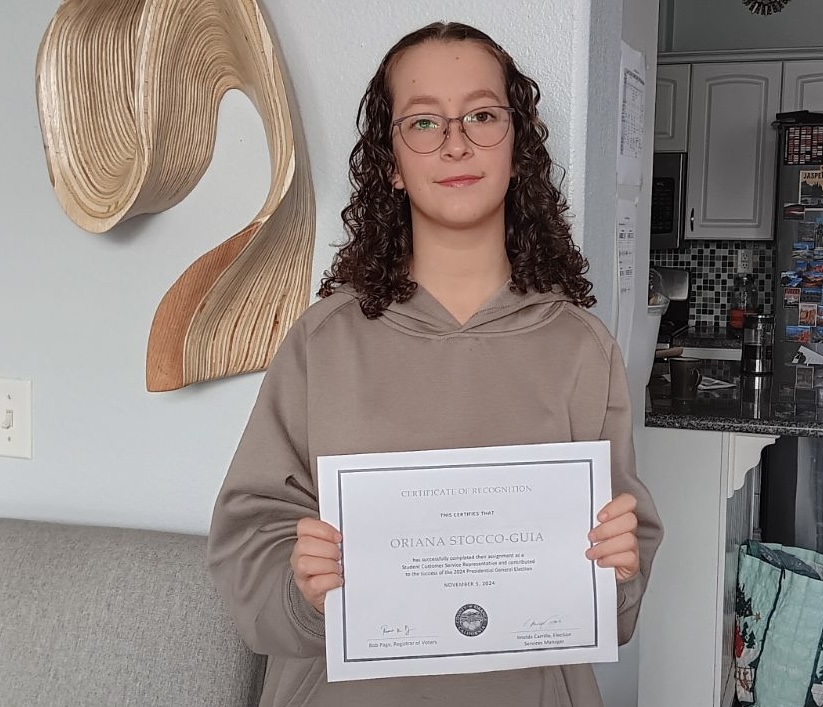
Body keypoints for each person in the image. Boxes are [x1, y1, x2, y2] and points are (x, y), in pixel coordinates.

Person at [208, 20, 663, 707]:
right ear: (390, 160)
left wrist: (619, 568)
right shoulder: (320, 344)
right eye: (423, 122)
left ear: (517, 144)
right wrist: (298, 583)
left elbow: (618, 584)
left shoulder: (580, 347)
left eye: (482, 115)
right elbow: (249, 537)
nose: (456, 141)